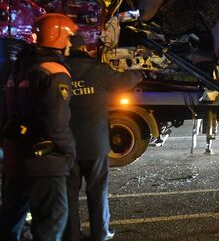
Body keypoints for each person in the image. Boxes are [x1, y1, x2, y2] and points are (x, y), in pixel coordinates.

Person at [0, 13, 78, 241]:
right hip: (45, 162)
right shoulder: (54, 72)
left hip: (16, 157)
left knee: (11, 221)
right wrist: (69, 151)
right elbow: (55, 124)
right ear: (58, 37)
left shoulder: (18, 67)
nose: (71, 43)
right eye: (70, 37)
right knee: (51, 224)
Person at [64, 35, 143, 241]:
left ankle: (71, 234)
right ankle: (100, 233)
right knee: (97, 191)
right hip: (95, 144)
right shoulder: (96, 69)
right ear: (86, 49)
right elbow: (125, 81)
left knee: (69, 193)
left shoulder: (59, 71)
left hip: (68, 145)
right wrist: (138, 71)